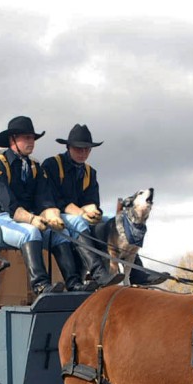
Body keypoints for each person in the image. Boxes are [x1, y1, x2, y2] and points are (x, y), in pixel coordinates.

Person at [0, 115, 83, 295]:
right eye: (27, 137)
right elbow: (9, 204)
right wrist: (31, 219)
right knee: (31, 232)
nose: (32, 142)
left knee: (61, 234)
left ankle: (74, 283)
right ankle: (40, 284)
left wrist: (52, 217)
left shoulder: (35, 167)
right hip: (0, 219)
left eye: (32, 138)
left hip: (30, 218)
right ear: (13, 139)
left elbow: (44, 199)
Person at [40, 124, 122, 291]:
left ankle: (135, 270)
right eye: (79, 149)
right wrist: (80, 212)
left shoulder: (90, 172)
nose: (83, 153)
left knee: (112, 222)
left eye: (87, 150)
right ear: (68, 147)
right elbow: (51, 198)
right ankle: (98, 273)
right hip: (54, 215)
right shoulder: (52, 165)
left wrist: (94, 212)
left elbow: (92, 200)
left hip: (79, 216)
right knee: (78, 222)